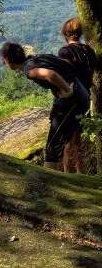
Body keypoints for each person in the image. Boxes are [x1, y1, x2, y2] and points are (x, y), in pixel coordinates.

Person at [0, 42, 90, 171]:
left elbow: (50, 75)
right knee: (68, 141)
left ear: (8, 60)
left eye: (4, 61)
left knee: (52, 146)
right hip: (80, 94)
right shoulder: (36, 58)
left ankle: (47, 183)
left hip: (73, 99)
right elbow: (66, 65)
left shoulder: (29, 70)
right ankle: (75, 178)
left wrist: (66, 89)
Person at [58, 18, 96, 172]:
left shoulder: (65, 52)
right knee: (77, 139)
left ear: (65, 33)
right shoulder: (89, 51)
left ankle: (67, 174)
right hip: (85, 97)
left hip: (71, 98)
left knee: (67, 140)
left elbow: (64, 76)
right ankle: (81, 172)